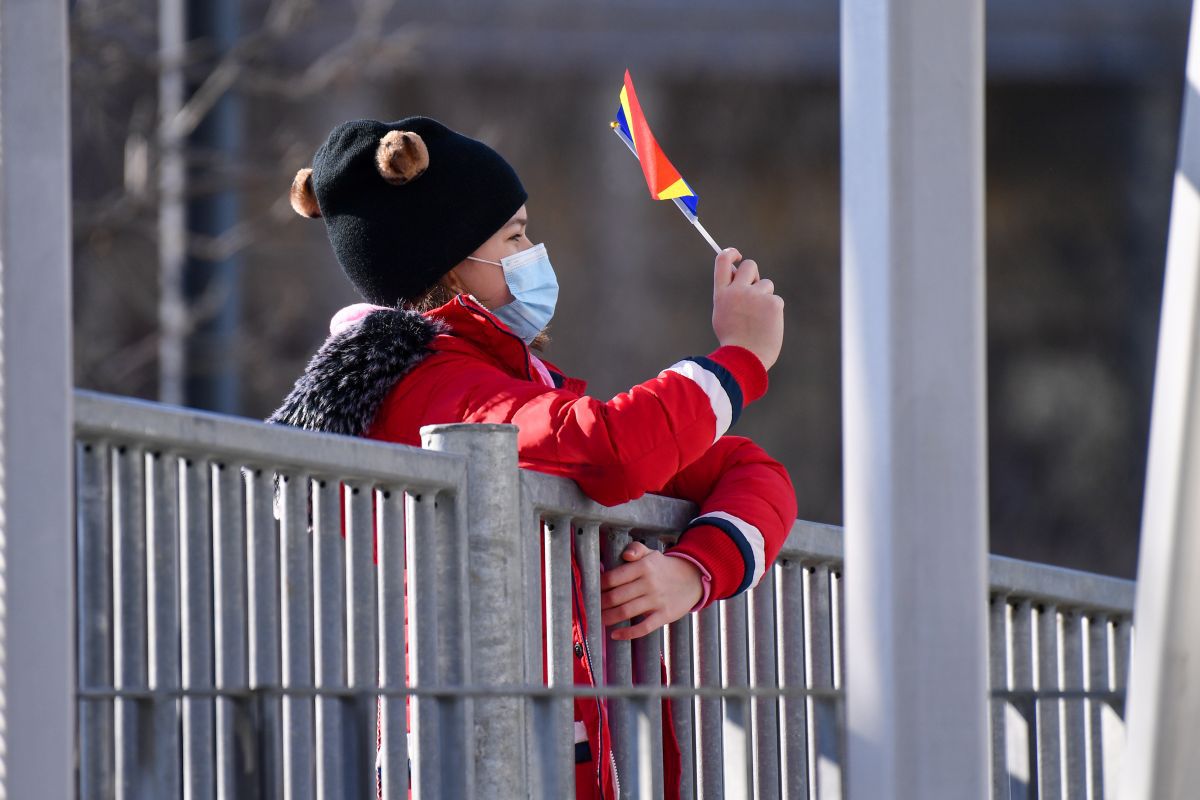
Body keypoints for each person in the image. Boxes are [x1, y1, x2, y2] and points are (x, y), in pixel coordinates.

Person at [270, 116, 797, 799]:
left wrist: (693, 573)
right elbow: (609, 449)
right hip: (492, 765)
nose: (533, 252)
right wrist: (740, 359)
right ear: (449, 262)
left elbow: (749, 470)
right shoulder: (433, 386)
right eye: (514, 236)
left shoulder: (506, 385)